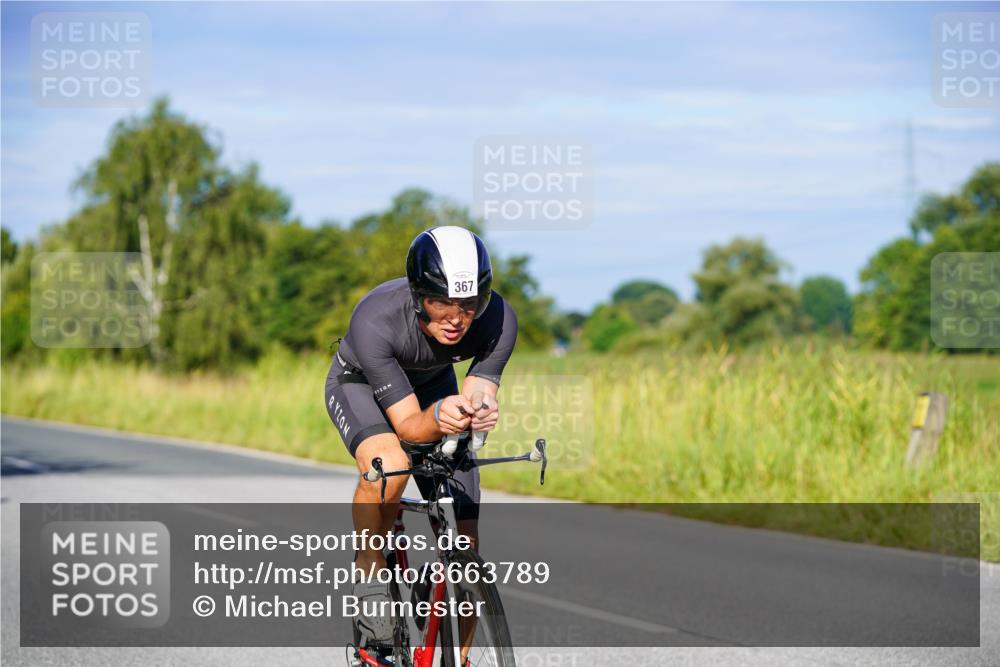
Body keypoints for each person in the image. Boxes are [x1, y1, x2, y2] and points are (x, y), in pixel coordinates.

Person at [324, 225, 518, 647]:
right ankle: (370, 574)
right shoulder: (375, 318)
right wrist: (441, 414)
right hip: (361, 385)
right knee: (389, 466)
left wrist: (480, 409)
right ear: (418, 296)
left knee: (466, 542)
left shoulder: (498, 320)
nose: (456, 318)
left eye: (468, 304)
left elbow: (479, 389)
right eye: (441, 302)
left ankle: (458, 654)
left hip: (433, 384)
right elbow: (411, 427)